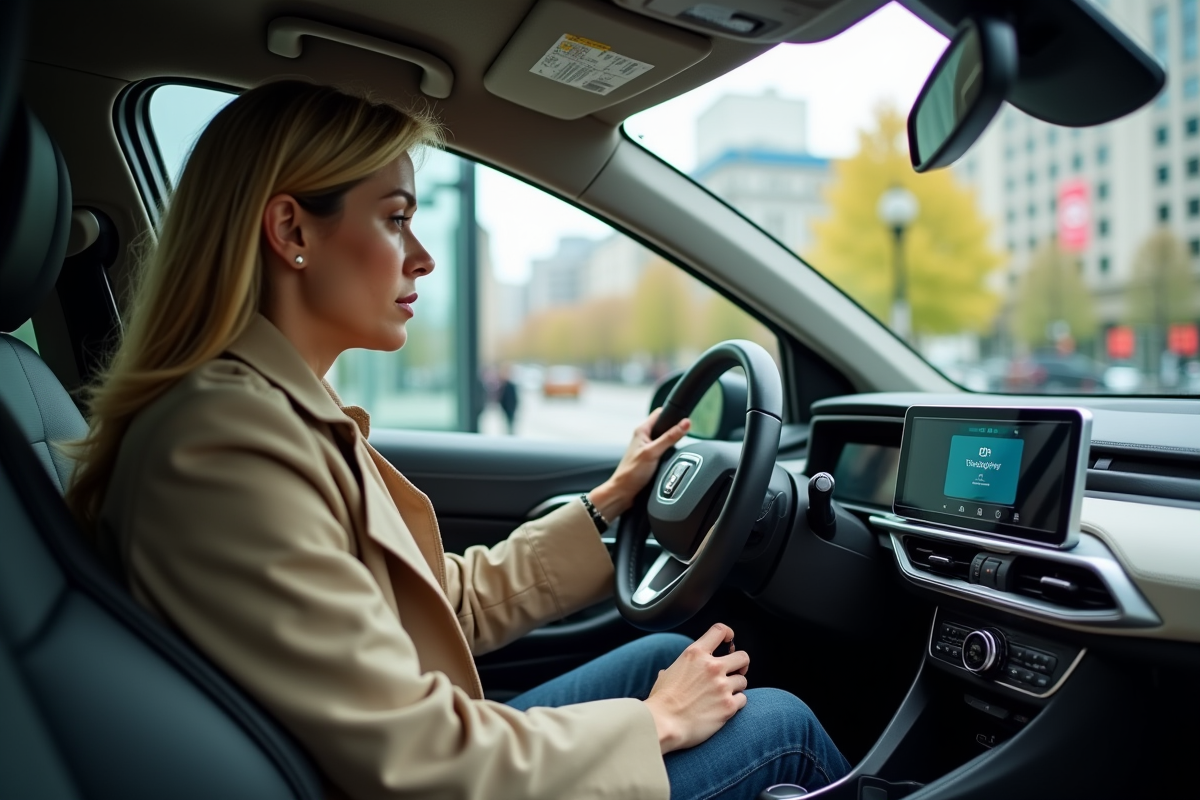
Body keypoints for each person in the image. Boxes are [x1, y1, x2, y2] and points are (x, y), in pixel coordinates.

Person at [64, 80, 849, 800]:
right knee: (778, 729)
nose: (424, 256)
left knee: (658, 660)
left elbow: (439, 603)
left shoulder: (269, 413)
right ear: (292, 228)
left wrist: (608, 503)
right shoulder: (228, 451)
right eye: (395, 218)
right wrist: (657, 723)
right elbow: (416, 756)